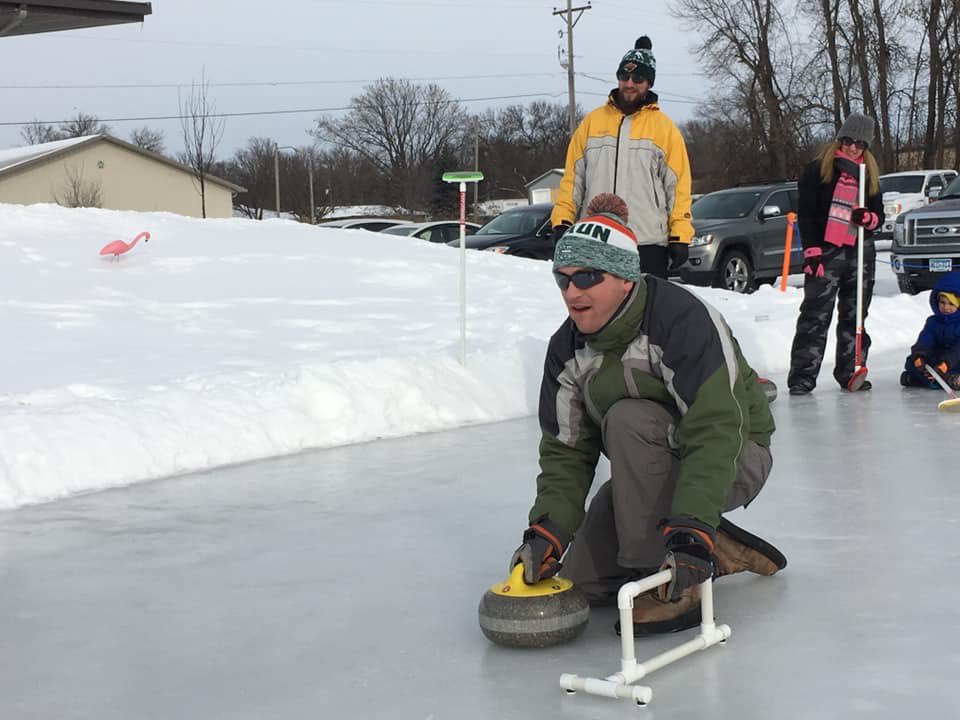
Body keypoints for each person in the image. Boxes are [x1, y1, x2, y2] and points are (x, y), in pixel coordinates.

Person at [510, 193, 786, 635]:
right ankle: (713, 544)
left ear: (624, 278)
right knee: (584, 582)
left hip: (736, 455)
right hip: (651, 470)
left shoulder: (681, 320)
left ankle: (666, 581)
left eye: (587, 276)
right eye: (562, 279)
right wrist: (549, 530)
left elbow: (716, 428)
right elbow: (566, 451)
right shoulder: (566, 351)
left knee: (628, 418)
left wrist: (692, 524)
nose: (572, 292)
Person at [549, 36, 693, 280]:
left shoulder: (665, 129)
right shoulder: (592, 123)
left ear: (649, 83)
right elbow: (573, 180)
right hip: (596, 237)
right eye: (624, 77)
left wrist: (680, 234)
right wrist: (562, 219)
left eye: (638, 79)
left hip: (646, 242)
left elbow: (678, 188)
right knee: (598, 312)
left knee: (645, 312)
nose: (629, 84)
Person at [787, 113, 885, 395]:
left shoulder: (869, 174)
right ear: (839, 139)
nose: (853, 148)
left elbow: (878, 214)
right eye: (848, 140)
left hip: (859, 252)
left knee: (855, 316)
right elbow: (806, 214)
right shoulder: (819, 170)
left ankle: (850, 371)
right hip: (827, 252)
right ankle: (803, 377)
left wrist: (869, 219)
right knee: (815, 314)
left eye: (860, 143)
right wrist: (812, 251)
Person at [900, 272, 960, 390]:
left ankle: (951, 379)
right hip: (936, 361)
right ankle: (930, 378)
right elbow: (925, 340)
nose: (946, 307)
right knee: (912, 362)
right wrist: (920, 355)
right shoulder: (933, 322)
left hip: (954, 361)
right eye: (942, 302)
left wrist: (946, 363)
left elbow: (958, 350)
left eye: (951, 304)